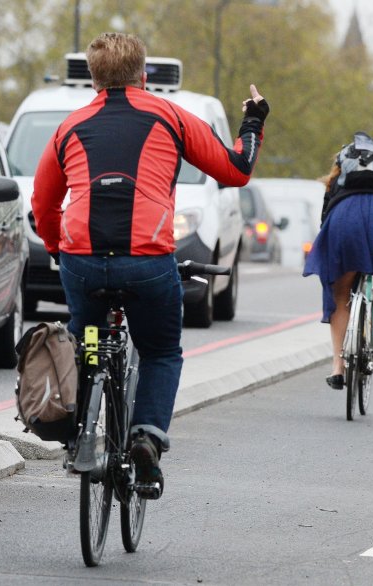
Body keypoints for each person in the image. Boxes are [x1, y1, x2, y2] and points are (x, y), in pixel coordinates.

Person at [32, 32, 268, 498]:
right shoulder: (173, 117)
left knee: (84, 341)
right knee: (160, 351)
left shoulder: (69, 127)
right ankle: (146, 437)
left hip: (82, 259)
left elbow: (43, 204)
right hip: (147, 261)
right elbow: (237, 169)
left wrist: (61, 252)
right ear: (144, 76)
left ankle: (79, 431)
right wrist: (253, 121)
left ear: (94, 80)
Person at [303, 132, 373, 389]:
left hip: (344, 219)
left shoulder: (336, 182)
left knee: (340, 293)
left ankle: (337, 368)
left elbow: (325, 221)